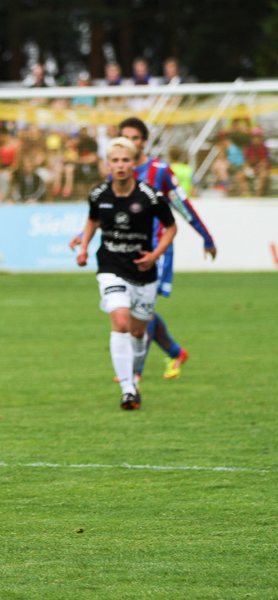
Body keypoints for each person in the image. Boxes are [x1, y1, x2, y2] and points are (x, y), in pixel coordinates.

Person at [72, 118, 217, 380]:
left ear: (144, 141)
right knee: (139, 312)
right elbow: (106, 210)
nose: (131, 143)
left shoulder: (160, 170)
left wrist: (205, 237)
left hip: (155, 251)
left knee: (141, 312)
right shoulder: (118, 168)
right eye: (126, 137)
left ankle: (134, 372)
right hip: (121, 253)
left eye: (136, 138)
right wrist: (83, 237)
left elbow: (181, 206)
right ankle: (172, 353)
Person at [76, 137, 177, 410]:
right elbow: (93, 219)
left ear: (134, 163)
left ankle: (133, 378)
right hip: (110, 267)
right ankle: (128, 390)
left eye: (125, 160)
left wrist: (156, 255)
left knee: (137, 333)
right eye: (115, 160)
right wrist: (84, 246)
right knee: (120, 323)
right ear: (108, 165)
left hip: (143, 270)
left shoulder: (149, 195)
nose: (120, 165)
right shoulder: (99, 194)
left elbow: (171, 227)